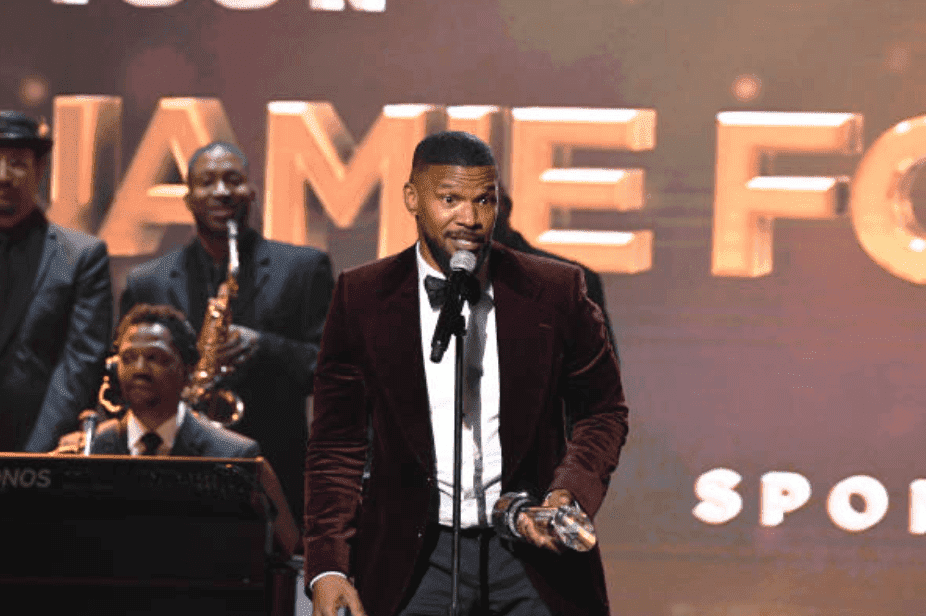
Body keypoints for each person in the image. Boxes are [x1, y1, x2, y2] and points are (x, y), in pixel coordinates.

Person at [304, 131, 629, 616]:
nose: (471, 219)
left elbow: (603, 410)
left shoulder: (555, 290)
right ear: (412, 198)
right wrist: (327, 566)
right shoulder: (362, 297)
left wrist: (566, 494)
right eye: (450, 199)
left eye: (484, 200)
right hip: (415, 556)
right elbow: (336, 445)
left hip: (530, 556)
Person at [119, 142, 333, 515]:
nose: (220, 191)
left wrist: (265, 346)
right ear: (188, 198)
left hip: (275, 461)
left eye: (232, 180)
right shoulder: (146, 281)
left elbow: (332, 369)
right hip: (175, 464)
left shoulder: (304, 267)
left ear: (251, 192)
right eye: (206, 182)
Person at [0, 111, 113, 453]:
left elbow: (79, 365)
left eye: (17, 163)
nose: (3, 176)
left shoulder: (82, 256)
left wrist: (35, 455)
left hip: (38, 446)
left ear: (41, 169)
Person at [72, 303, 260, 457]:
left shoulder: (232, 455)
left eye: (155, 358)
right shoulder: (90, 450)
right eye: (128, 358)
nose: (139, 369)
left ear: (188, 370)